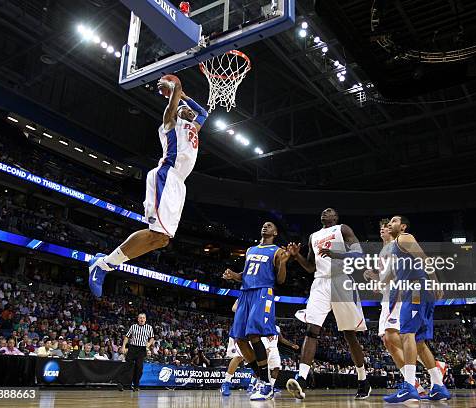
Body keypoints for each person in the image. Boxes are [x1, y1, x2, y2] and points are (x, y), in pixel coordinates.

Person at [88, 77, 208, 297]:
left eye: (189, 111)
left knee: (161, 240)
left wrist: (185, 99)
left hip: (179, 184)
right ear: (176, 112)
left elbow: (204, 112)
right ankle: (103, 266)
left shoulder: (193, 128)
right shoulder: (169, 124)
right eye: (183, 109)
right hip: (166, 176)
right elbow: (174, 100)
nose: (189, 112)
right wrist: (175, 90)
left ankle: (105, 263)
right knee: (156, 232)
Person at [286, 208, 370, 400]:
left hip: (341, 280)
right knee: (311, 329)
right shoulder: (313, 236)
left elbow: (359, 255)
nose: (325, 212)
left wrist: (336, 255)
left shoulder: (343, 229)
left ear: (336, 217)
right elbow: (310, 267)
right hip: (320, 282)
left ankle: (363, 380)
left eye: (330, 211)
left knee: (350, 335)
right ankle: (302, 378)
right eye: (323, 211)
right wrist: (296, 256)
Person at [383, 216, 450, 403]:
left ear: (403, 226)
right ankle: (438, 386)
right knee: (419, 342)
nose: (390, 223)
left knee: (406, 334)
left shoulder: (404, 237)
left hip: (416, 291)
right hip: (417, 291)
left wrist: (436, 283)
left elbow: (425, 259)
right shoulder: (396, 248)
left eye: (394, 221)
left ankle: (409, 386)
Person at [222, 221, 290, 401]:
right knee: (239, 339)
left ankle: (267, 385)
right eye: (264, 225)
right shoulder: (251, 249)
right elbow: (244, 276)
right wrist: (233, 275)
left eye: (270, 226)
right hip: (245, 293)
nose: (265, 227)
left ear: (275, 232)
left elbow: (281, 280)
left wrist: (283, 263)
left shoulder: (277, 251)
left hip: (263, 292)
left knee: (253, 334)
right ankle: (261, 378)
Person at [122, 313, 155, 391]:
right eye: (140, 318)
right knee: (128, 366)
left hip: (141, 349)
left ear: (145, 319)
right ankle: (124, 384)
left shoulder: (149, 327)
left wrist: (149, 344)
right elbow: (127, 337)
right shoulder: (133, 326)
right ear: (138, 319)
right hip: (132, 348)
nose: (142, 319)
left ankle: (136, 385)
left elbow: (152, 338)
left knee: (139, 368)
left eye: (143, 318)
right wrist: (123, 346)